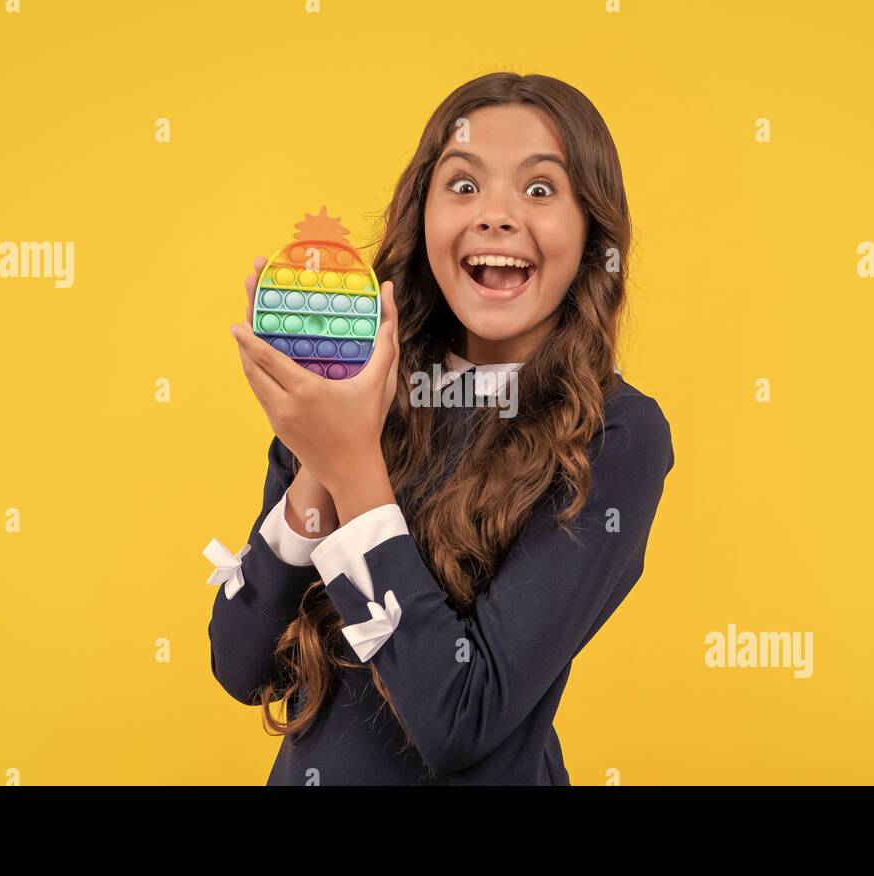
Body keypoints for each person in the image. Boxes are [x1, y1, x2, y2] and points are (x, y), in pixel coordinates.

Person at [210, 72, 673, 785]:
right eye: (463, 185)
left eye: (540, 190)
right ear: (422, 216)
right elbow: (243, 665)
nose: (496, 215)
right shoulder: (353, 387)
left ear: (591, 234)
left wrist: (352, 464)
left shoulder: (615, 435)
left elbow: (459, 717)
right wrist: (319, 452)